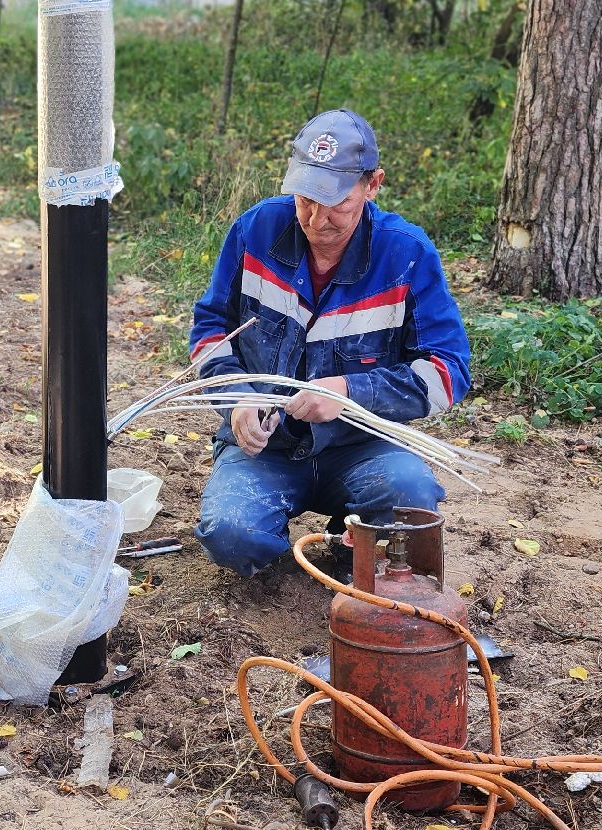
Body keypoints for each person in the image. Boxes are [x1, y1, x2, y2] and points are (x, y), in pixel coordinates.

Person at [188, 109, 471, 576]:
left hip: (362, 447)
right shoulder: (255, 231)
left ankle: (351, 542)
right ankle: (284, 544)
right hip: (266, 448)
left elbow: (449, 371)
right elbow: (211, 329)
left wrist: (349, 394)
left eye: (337, 202)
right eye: (306, 200)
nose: (318, 220)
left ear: (373, 184)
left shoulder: (406, 253)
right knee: (232, 535)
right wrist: (238, 401)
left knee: (411, 502)